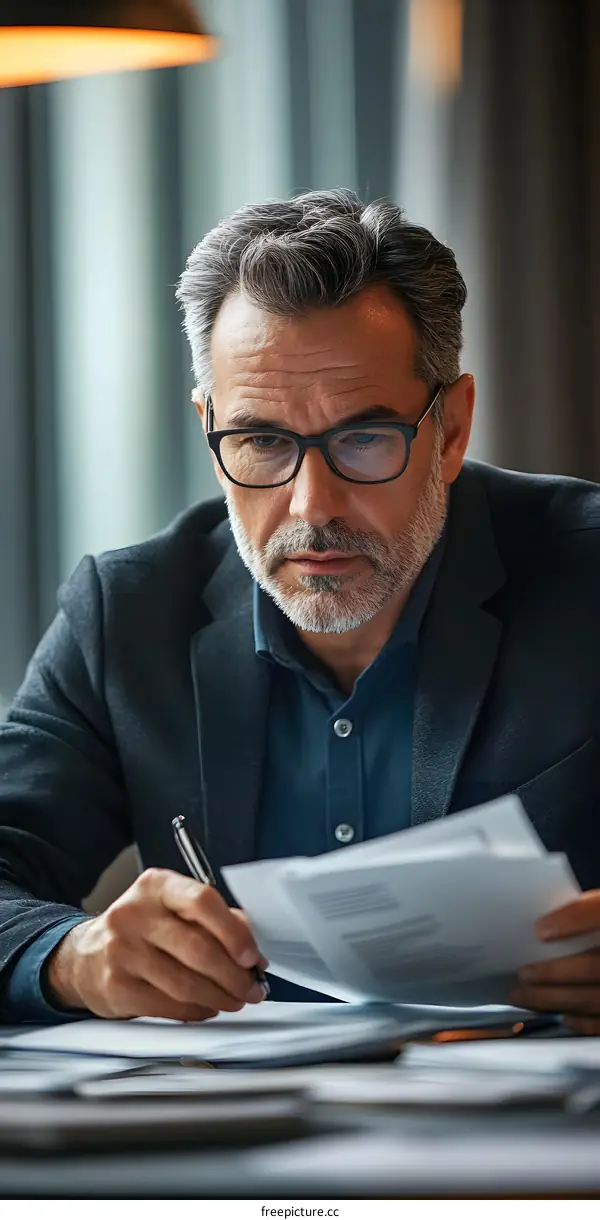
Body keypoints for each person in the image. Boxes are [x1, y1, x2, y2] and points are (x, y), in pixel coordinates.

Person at [1, 188, 599, 1032]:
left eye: (364, 438)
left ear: (453, 429)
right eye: (262, 441)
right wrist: (71, 958)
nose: (311, 506)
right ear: (211, 430)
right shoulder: (126, 615)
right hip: (230, 1139)